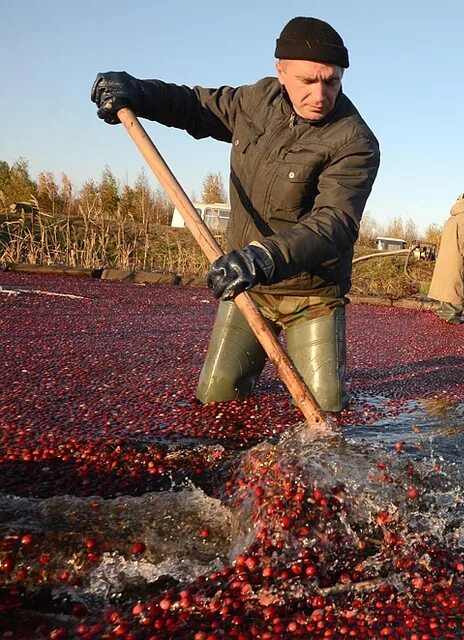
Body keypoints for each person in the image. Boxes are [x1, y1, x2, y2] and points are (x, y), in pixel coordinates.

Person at [91, 17, 380, 412]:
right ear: (281, 71)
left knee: (326, 408)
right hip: (249, 289)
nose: (320, 94)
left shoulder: (354, 140)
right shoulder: (255, 102)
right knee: (216, 397)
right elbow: (194, 106)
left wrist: (263, 256)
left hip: (311, 293)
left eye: (331, 81)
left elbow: (335, 223)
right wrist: (138, 92)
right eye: (308, 81)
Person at [428, 188, 464, 324]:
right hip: (456, 263)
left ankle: (442, 327)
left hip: (446, 263)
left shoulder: (454, 217)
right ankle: (449, 328)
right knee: (454, 298)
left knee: (446, 298)